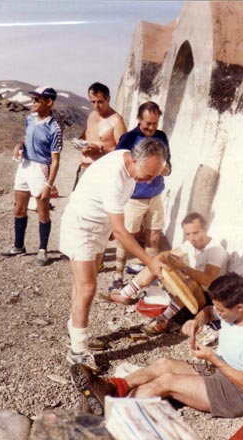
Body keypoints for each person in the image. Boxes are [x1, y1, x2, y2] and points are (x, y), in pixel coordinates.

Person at [72, 273, 243, 419]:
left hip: (236, 395)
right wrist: (197, 321)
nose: (221, 313)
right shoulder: (235, 308)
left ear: (239, 307)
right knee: (164, 364)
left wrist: (212, 359)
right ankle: (110, 388)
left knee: (166, 381)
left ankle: (112, 415)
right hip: (220, 372)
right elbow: (210, 311)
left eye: (223, 310)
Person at [60, 138, 169, 368]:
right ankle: (78, 352)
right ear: (135, 159)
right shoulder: (114, 178)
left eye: (154, 176)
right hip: (82, 226)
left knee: (83, 286)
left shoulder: (130, 163)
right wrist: (149, 261)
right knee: (88, 288)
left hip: (99, 226)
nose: (149, 180)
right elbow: (122, 232)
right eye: (148, 175)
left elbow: (115, 223)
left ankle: (75, 333)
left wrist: (109, 230)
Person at [103, 211, 228, 335]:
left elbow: (208, 280)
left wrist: (183, 267)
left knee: (192, 281)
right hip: (188, 294)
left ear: (205, 229)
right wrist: (159, 259)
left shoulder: (215, 250)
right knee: (158, 264)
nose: (192, 237)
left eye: (195, 233)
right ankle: (125, 294)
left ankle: (163, 320)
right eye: (188, 234)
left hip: (206, 300)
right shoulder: (191, 244)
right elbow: (168, 254)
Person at [108, 101, 171, 293]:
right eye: (147, 123)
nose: (151, 128)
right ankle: (118, 276)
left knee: (153, 237)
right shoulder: (129, 138)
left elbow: (169, 165)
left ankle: (148, 276)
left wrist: (166, 170)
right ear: (138, 119)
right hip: (134, 197)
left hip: (155, 195)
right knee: (127, 236)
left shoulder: (161, 137)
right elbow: (117, 165)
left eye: (155, 123)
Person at [1, 86, 62, 266]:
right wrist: (19, 145)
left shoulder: (54, 128)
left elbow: (56, 160)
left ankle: (42, 249)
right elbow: (26, 137)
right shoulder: (29, 119)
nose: (32, 102)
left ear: (49, 102)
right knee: (19, 209)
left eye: (37, 99)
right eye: (33, 98)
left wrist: (49, 185)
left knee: (42, 212)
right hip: (24, 165)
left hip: (40, 168)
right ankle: (18, 246)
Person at [72, 82, 126, 190]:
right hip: (83, 169)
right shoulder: (92, 115)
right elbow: (84, 137)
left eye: (100, 101)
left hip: (101, 173)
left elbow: (123, 151)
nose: (96, 105)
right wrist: (80, 144)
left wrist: (100, 149)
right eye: (93, 102)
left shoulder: (116, 120)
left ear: (108, 99)